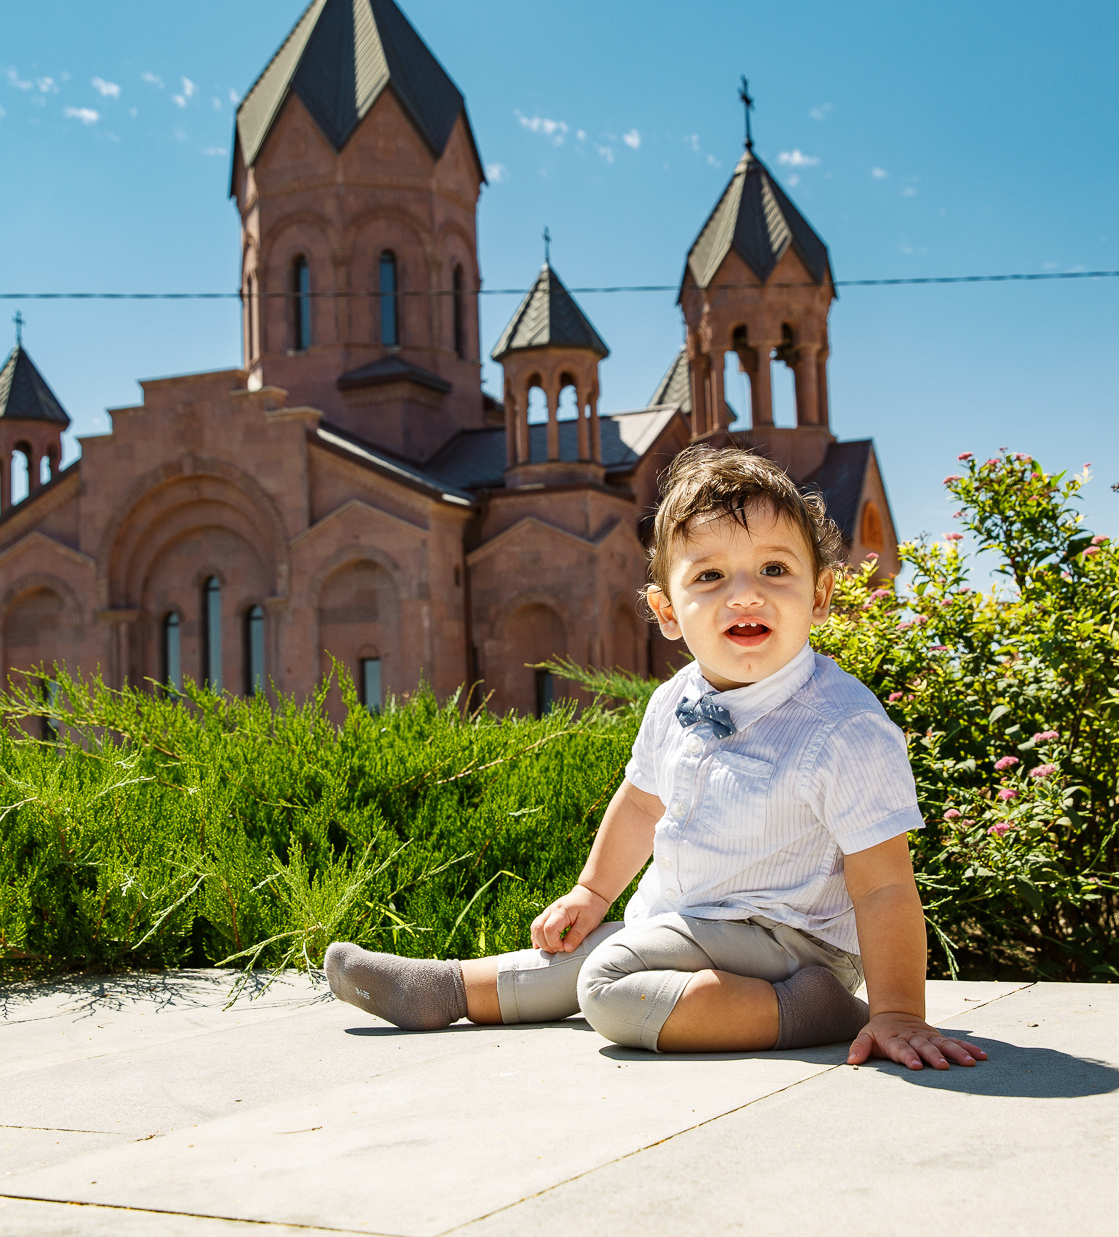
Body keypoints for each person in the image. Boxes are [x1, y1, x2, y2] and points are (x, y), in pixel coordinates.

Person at [324, 444, 985, 1070]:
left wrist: (899, 1010)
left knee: (608, 980)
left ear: (820, 594)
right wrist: (591, 889)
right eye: (711, 575)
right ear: (668, 611)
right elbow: (642, 802)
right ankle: (442, 990)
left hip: (794, 942)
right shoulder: (675, 699)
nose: (746, 593)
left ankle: (813, 1009)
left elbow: (886, 883)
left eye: (775, 569)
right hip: (689, 921)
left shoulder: (842, 726)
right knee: (579, 955)